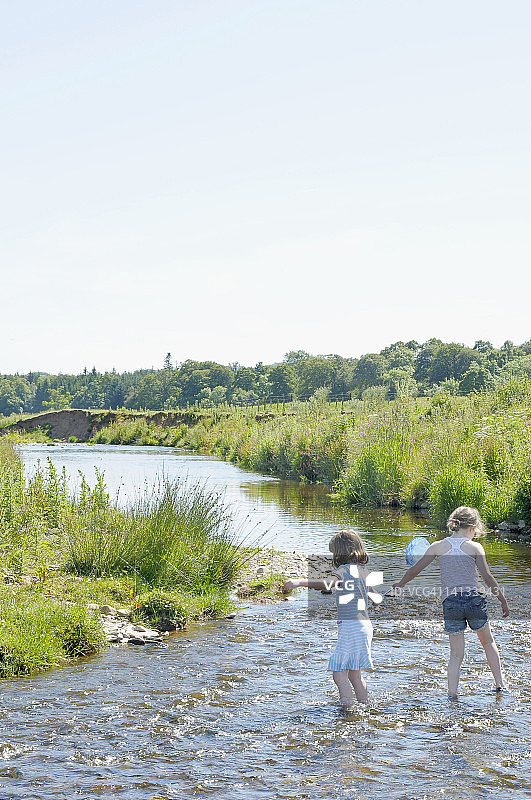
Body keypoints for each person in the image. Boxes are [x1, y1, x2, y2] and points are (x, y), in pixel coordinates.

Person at [392, 506, 509, 699]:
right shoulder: (475, 547)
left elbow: (415, 570)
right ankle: (500, 685)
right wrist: (502, 600)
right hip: (474, 600)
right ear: (472, 527)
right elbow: (487, 578)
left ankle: (452, 695)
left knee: (456, 654)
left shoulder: (437, 546)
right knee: (488, 642)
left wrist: (401, 583)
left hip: (451, 602)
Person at [283, 530, 376, 706]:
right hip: (365, 627)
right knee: (355, 674)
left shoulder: (344, 570)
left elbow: (328, 583)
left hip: (351, 627)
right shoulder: (364, 570)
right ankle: (365, 706)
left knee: (339, 673)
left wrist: (300, 581)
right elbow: (374, 597)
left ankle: (347, 709)